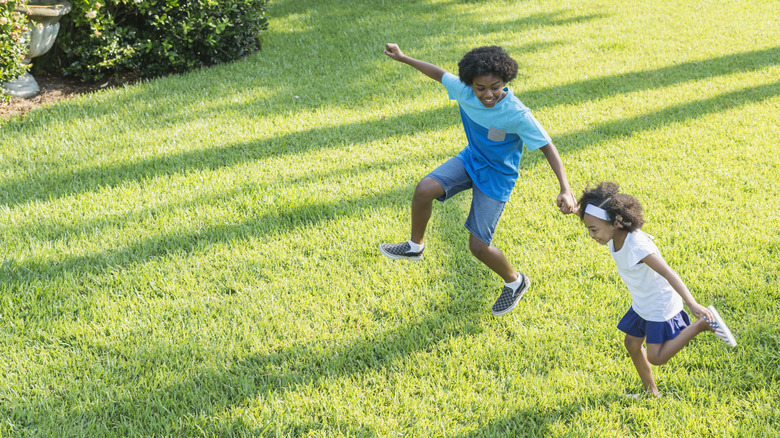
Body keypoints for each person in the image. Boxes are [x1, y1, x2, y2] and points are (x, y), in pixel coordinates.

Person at [379, 43, 578, 316]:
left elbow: (548, 147)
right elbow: (438, 74)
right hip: (471, 159)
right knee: (424, 189)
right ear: (469, 84)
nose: (488, 94)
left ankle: (515, 281)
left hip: (497, 177)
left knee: (478, 247)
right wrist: (403, 58)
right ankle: (415, 246)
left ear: (505, 81)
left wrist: (565, 189)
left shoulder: (517, 114)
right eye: (480, 88)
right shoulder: (463, 91)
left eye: (495, 86)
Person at [577, 181, 737, 397]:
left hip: (658, 305)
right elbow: (595, 214)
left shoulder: (638, 247)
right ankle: (651, 392)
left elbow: (669, 273)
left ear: (614, 223)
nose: (591, 235)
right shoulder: (613, 232)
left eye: (593, 229)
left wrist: (692, 304)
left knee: (657, 357)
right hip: (643, 301)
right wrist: (574, 208)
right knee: (632, 344)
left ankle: (701, 324)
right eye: (588, 229)